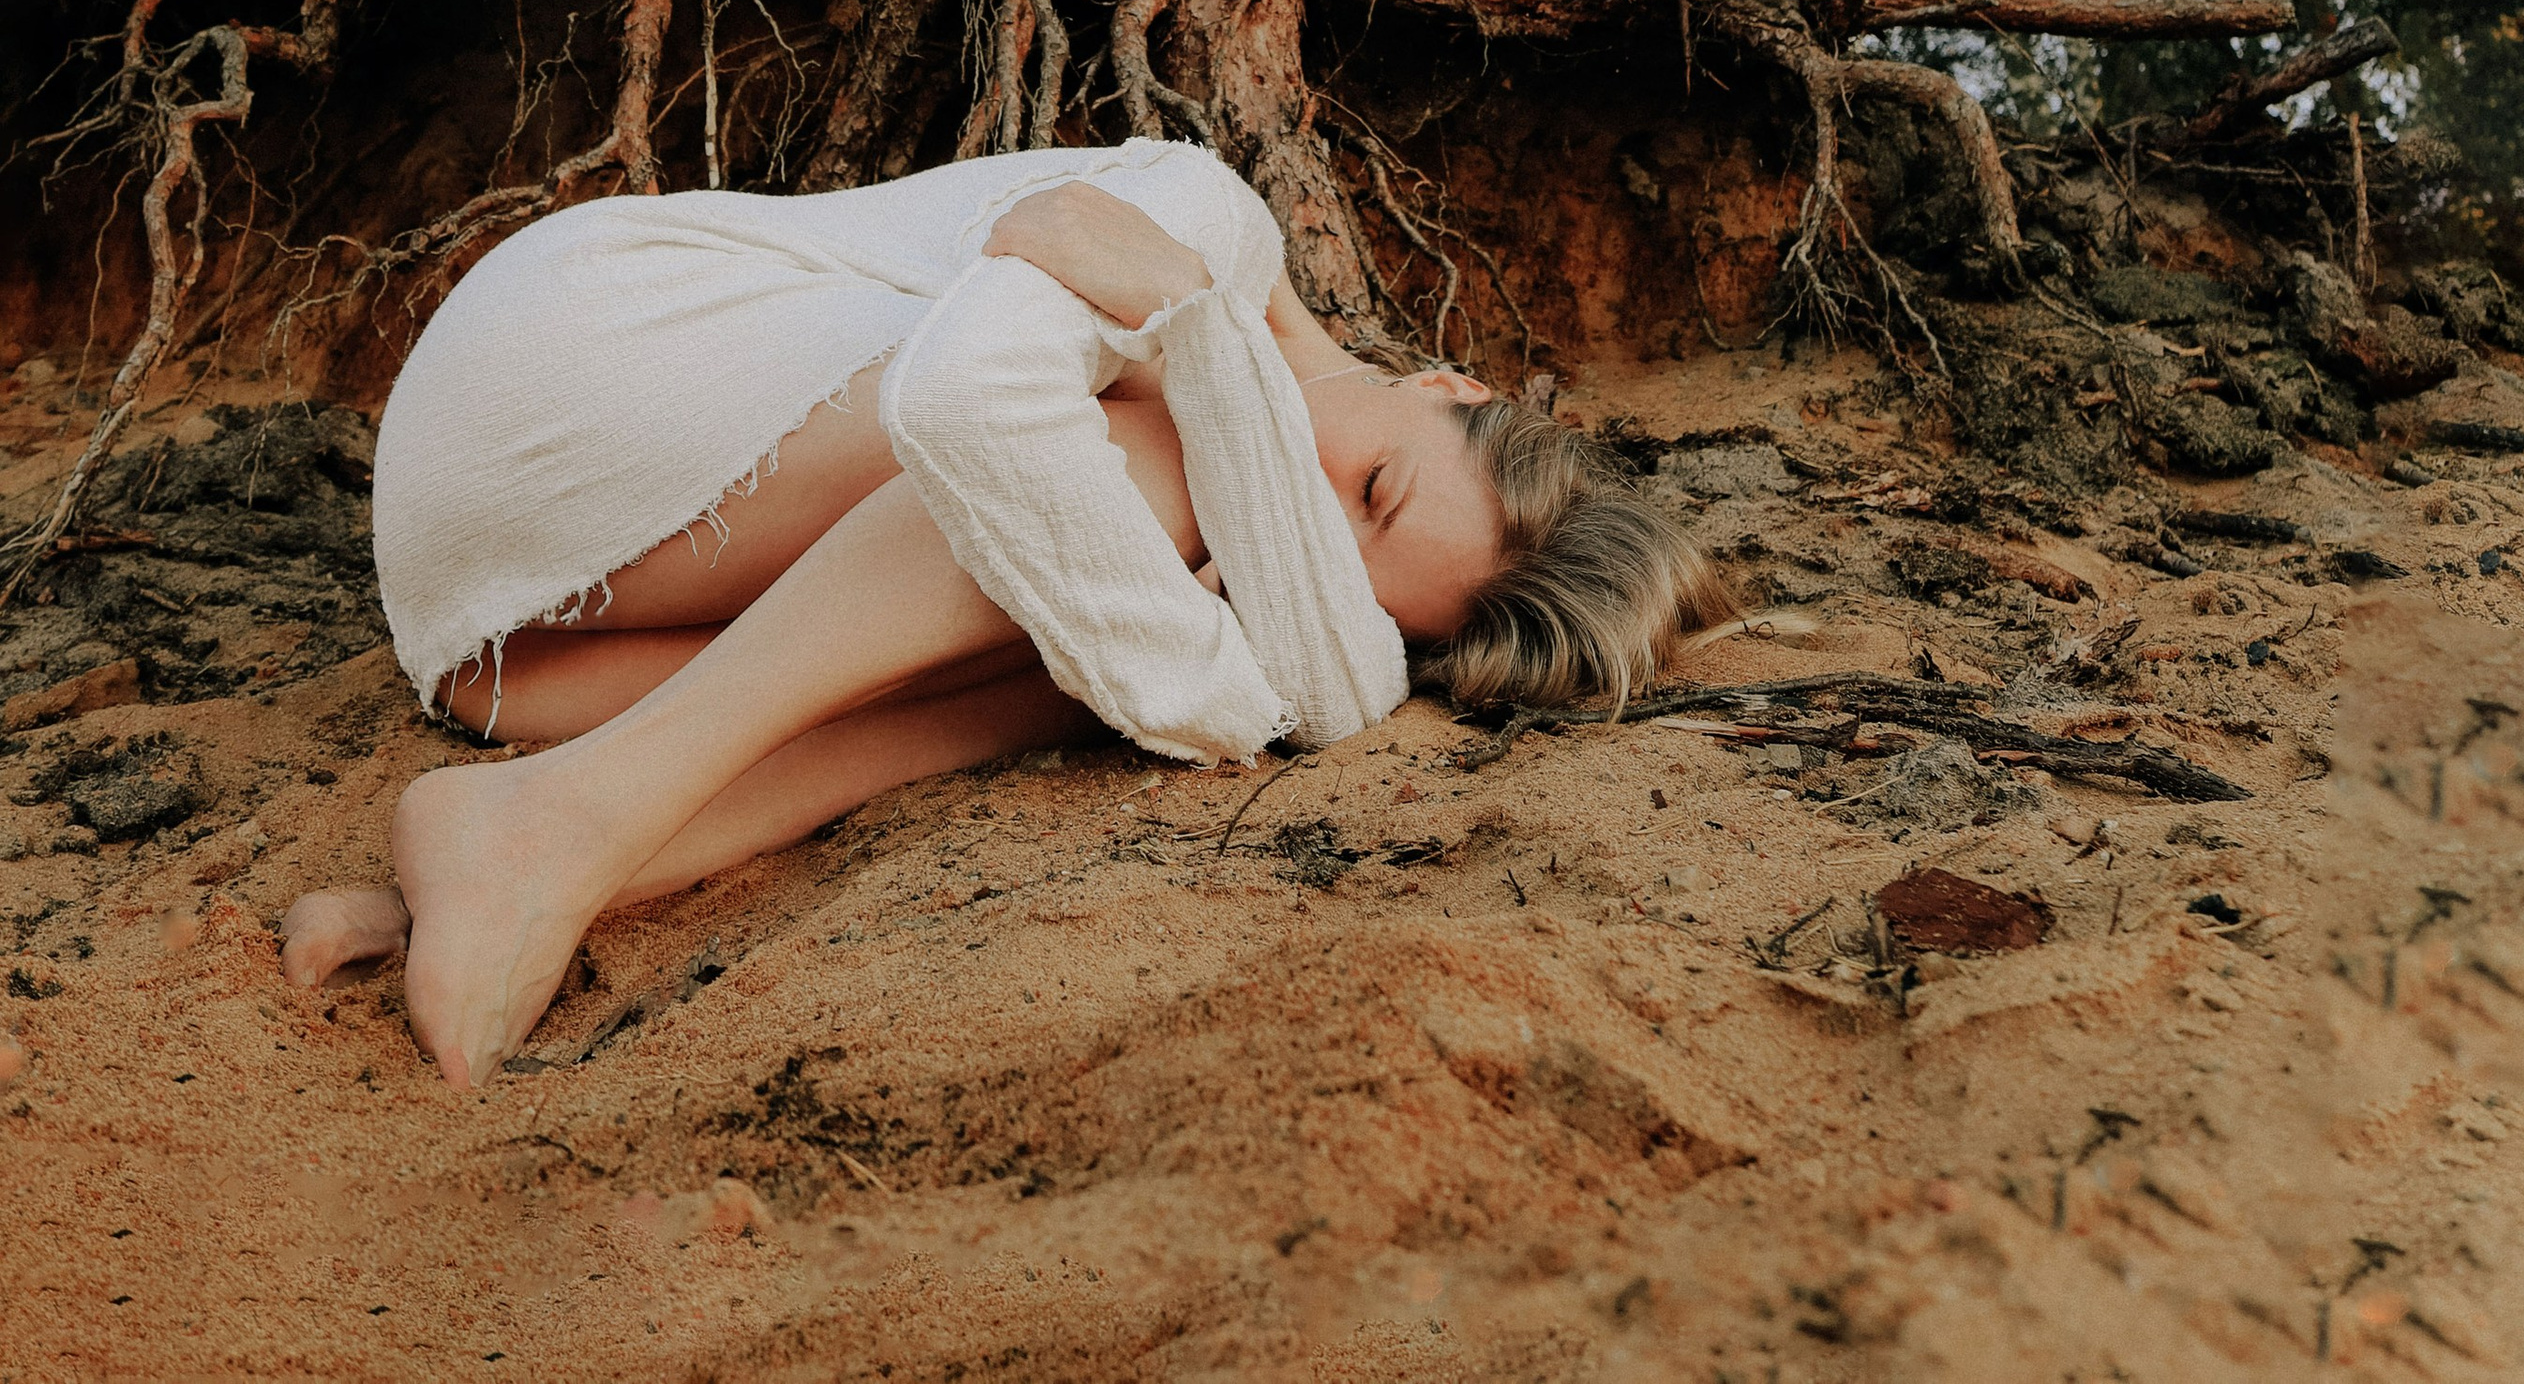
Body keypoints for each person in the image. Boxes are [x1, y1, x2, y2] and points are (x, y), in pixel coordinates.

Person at [281, 139, 1721, 1088]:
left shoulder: (1224, 405)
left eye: (1344, 572)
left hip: (493, 639)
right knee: (1121, 487)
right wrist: (1212, 357)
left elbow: (1312, 686)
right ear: (1449, 388)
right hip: (563, 361)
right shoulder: (1208, 219)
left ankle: (527, 840)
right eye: (1376, 486)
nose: (1303, 516)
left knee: (1066, 666)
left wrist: (1224, 635)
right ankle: (556, 827)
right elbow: (961, 408)